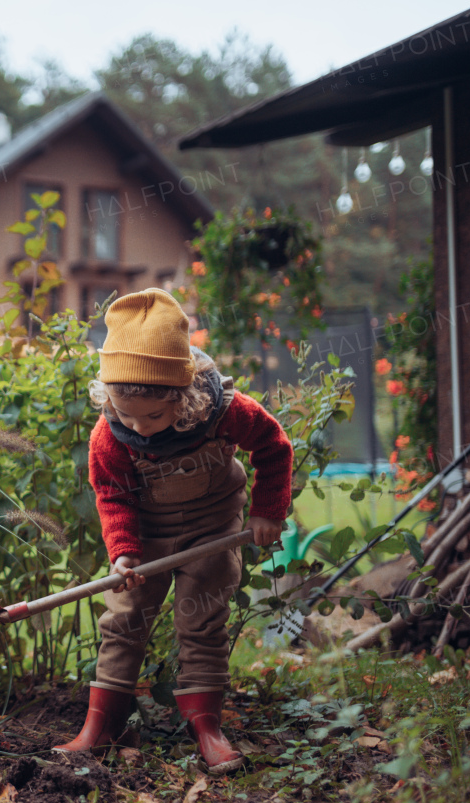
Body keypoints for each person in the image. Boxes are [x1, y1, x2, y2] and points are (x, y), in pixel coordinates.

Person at [55, 289, 292, 774]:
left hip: (213, 527)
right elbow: (113, 496)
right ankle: (103, 727)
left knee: (201, 619)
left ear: (182, 397)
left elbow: (273, 445)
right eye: (125, 414)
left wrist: (268, 510)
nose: (139, 428)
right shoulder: (110, 435)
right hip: (145, 536)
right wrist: (123, 554)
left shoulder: (225, 411)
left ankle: (206, 727)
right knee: (123, 619)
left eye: (154, 417)